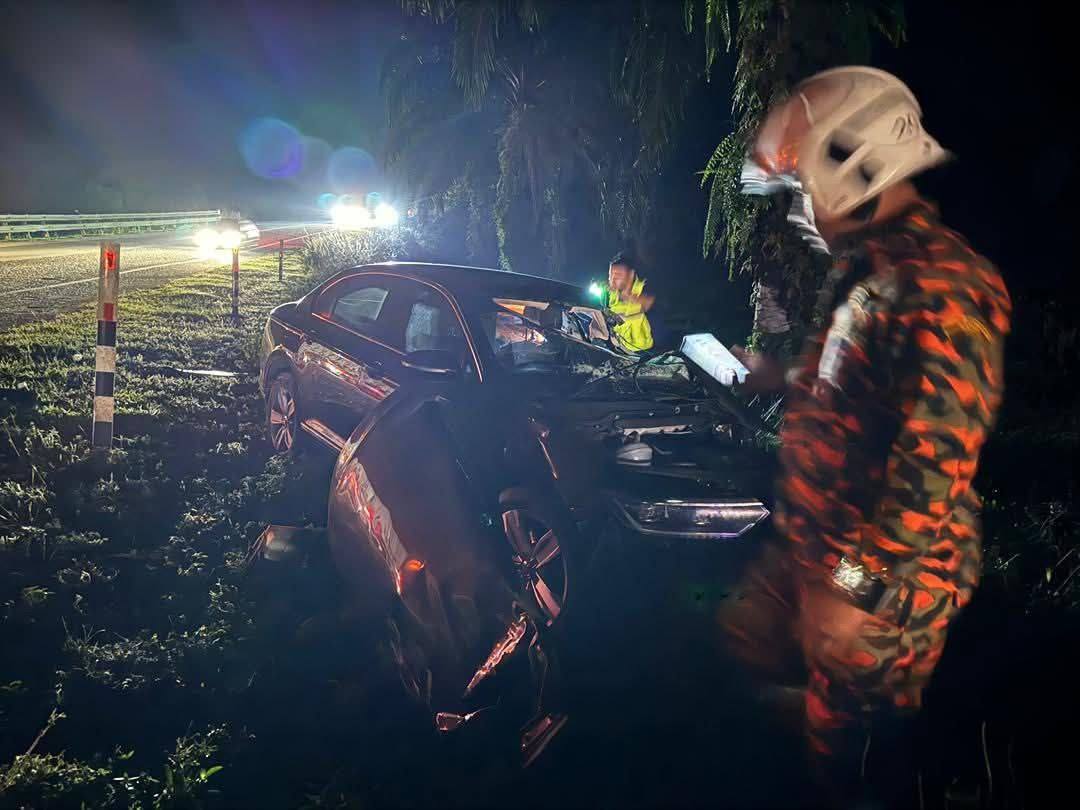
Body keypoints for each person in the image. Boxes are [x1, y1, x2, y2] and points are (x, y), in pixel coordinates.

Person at [719, 66, 1011, 806]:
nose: (800, 209)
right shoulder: (866, 272)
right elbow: (853, 391)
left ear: (858, 166)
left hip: (881, 583)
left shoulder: (944, 284)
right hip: (822, 549)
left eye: (802, 188)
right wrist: (779, 378)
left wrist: (857, 594)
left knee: (849, 756)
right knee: (742, 641)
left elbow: (933, 467)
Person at [605, 252, 657, 353]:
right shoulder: (612, 293)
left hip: (643, 351)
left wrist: (629, 294)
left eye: (618, 275)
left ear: (631, 274)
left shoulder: (644, 288)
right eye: (610, 275)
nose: (612, 279)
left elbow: (649, 302)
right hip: (620, 347)